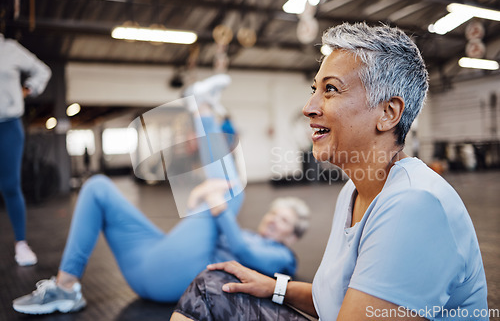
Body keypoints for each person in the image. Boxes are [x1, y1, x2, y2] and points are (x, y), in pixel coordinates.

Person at [171, 22, 489, 321]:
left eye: (331, 89)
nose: (309, 107)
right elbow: (344, 298)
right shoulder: (352, 192)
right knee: (215, 285)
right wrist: (275, 287)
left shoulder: (414, 205)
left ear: (388, 113)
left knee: (211, 296)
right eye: (315, 89)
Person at [12, 77, 311, 315]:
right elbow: (210, 234)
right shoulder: (250, 232)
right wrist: (205, 205)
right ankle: (65, 286)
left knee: (231, 195)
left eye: (283, 220)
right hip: (152, 257)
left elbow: (244, 254)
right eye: (274, 213)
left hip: (170, 279)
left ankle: (203, 109)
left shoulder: (283, 258)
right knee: (97, 187)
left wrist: (215, 205)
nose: (273, 220)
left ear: (293, 235)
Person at [0, 33, 52, 266]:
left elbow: (43, 70)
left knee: (10, 186)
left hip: (9, 125)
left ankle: (21, 244)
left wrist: (28, 89)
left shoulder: (9, 49)